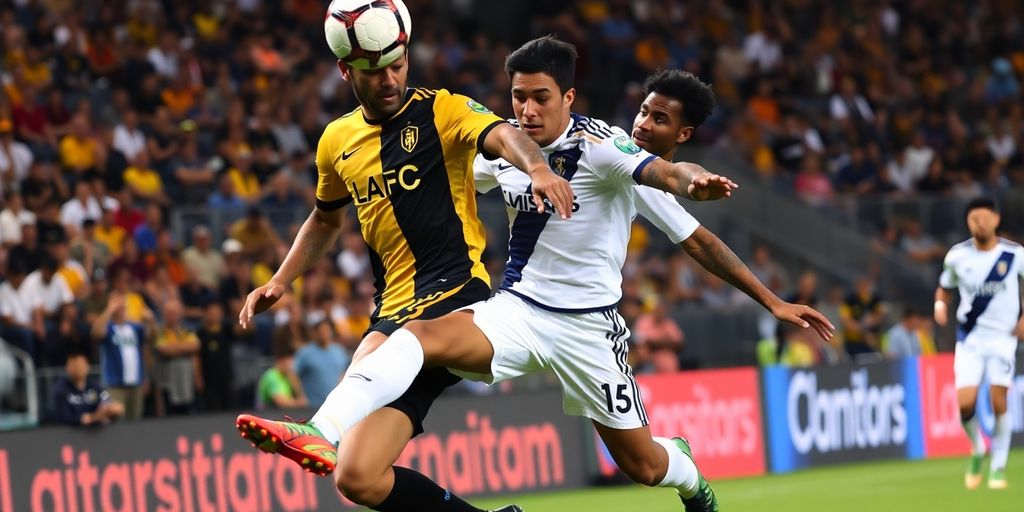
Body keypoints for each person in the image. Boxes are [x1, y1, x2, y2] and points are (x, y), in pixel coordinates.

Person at [240, 39, 831, 512]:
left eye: (540, 97)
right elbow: (453, 174)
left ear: (568, 97)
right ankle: (320, 429)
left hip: (590, 330)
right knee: (416, 337)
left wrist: (766, 291)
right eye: (518, 97)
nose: (526, 110)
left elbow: (681, 207)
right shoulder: (510, 152)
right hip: (518, 310)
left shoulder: (606, 150)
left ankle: (686, 469)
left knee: (644, 467)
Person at [236, 14, 573, 512]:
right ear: (346, 72)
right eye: (374, 71)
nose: (390, 78)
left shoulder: (443, 110)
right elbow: (325, 219)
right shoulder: (336, 141)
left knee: (371, 364)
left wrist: (539, 167)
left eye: (397, 64)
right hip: (392, 310)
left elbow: (503, 136)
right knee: (357, 478)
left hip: (457, 295)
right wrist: (281, 280)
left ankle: (314, 428)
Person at [934, 197, 1024, 491]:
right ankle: (977, 447)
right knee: (965, 405)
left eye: (985, 218)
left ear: (996, 219)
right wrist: (939, 305)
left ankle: (997, 468)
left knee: (999, 403)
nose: (980, 223)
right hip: (970, 339)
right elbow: (945, 288)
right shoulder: (957, 256)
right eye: (974, 219)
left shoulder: (1014, 254)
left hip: (1003, 339)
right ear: (968, 222)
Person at [52, 350, 125, 426]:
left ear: (87, 367)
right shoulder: (61, 389)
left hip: (96, 434)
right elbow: (63, 418)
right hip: (69, 434)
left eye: (81, 365)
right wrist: (93, 417)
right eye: (74, 365)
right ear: (67, 368)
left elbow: (106, 402)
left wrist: (112, 409)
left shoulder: (95, 387)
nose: (78, 369)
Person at [294, 319, 350, 407]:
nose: (324, 333)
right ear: (314, 333)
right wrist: (301, 396)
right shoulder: (305, 353)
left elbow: (344, 372)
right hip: (312, 407)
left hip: (336, 405)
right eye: (321, 330)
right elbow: (293, 374)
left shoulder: (339, 351)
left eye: (326, 330)